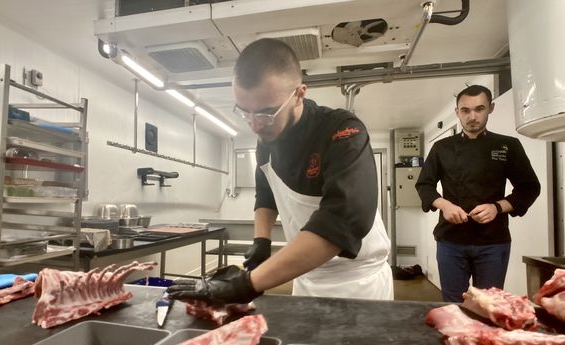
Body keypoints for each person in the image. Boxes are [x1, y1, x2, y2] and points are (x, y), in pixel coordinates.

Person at [167, 38, 393, 305]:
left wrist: (247, 284)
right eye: (244, 112)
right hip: (306, 275)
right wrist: (260, 241)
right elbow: (266, 195)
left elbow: (341, 222)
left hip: (358, 281)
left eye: (266, 113)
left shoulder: (342, 131)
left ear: (299, 94)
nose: (254, 125)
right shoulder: (266, 142)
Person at [415, 84, 540, 302]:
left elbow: (529, 187)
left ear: (490, 108)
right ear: (457, 112)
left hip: (493, 241)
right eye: (465, 110)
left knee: (488, 305)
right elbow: (424, 185)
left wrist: (497, 207)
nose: (472, 116)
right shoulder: (441, 148)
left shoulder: (507, 146)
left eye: (479, 109)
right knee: (453, 304)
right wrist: (445, 205)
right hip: (450, 241)